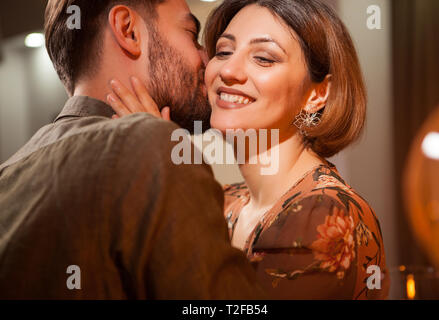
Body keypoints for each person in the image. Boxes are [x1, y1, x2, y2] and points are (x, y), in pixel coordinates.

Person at [108, 0, 390, 299]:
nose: (228, 70)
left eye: (264, 58)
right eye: (223, 52)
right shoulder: (224, 203)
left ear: (317, 94)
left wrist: (165, 175)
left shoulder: (324, 211)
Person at [0, 0, 265, 299]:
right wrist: (161, 147)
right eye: (191, 34)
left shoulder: (8, 174)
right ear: (128, 31)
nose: (207, 58)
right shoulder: (152, 148)